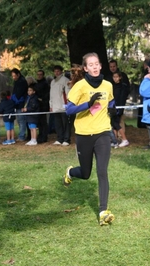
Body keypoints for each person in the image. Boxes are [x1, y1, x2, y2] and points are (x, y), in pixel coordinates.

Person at [64, 52, 115, 226]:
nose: (94, 67)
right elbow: (69, 110)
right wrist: (88, 104)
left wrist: (113, 111)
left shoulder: (108, 85)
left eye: (96, 63)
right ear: (85, 68)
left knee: (102, 171)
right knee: (85, 174)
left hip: (102, 133)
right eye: (90, 65)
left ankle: (103, 211)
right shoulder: (80, 86)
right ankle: (71, 172)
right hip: (84, 134)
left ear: (100, 66)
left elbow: (111, 101)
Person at [49, 65, 71, 146]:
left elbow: (68, 93)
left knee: (65, 123)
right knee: (58, 124)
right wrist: (51, 105)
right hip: (55, 106)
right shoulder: (53, 82)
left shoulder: (65, 80)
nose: (56, 73)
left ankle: (66, 139)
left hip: (63, 106)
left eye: (58, 71)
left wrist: (68, 104)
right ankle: (59, 138)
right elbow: (51, 95)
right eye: (55, 71)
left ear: (61, 71)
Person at [111, 71, 130, 147]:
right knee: (113, 124)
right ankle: (115, 141)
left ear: (120, 77)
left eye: (116, 77)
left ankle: (125, 139)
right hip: (113, 107)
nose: (115, 79)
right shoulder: (113, 86)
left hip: (119, 108)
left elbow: (122, 99)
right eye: (114, 77)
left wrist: (119, 109)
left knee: (116, 123)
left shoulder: (123, 87)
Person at [11, 68, 28, 141]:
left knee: (21, 120)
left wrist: (14, 99)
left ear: (18, 74)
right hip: (18, 104)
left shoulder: (22, 82)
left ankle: (22, 135)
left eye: (14, 76)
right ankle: (21, 135)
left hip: (21, 103)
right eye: (12, 76)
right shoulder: (17, 82)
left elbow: (18, 94)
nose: (13, 77)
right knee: (19, 120)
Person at [35, 70, 50, 144]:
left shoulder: (45, 84)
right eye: (38, 74)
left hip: (43, 104)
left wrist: (42, 99)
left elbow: (46, 94)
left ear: (43, 75)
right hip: (38, 105)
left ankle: (44, 136)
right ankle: (40, 136)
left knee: (43, 122)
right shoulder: (37, 83)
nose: (39, 76)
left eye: (40, 74)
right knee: (40, 122)